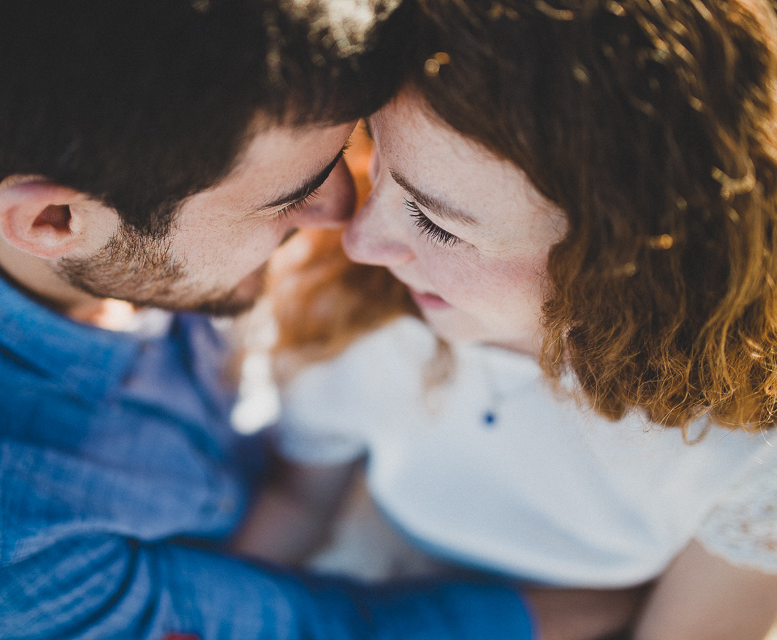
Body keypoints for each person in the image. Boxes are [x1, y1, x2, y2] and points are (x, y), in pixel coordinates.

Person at [0, 0, 640, 638]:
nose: (346, 215)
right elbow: (310, 631)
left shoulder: (77, 138)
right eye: (293, 196)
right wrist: (616, 610)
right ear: (53, 223)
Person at [234, 0, 777, 638]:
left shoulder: (747, 451)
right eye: (378, 158)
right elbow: (298, 502)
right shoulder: (356, 305)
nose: (358, 240)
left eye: (436, 223)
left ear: (634, 262)